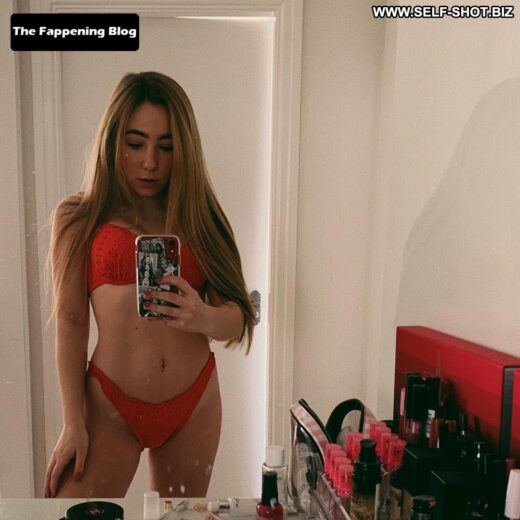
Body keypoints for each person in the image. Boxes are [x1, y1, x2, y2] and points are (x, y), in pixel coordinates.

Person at [44, 71, 254, 498]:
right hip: (109, 406)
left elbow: (237, 318)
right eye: (135, 144)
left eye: (166, 146)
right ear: (112, 142)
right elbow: (70, 320)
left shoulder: (202, 218)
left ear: (184, 149)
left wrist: (202, 316)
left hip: (193, 404)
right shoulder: (78, 218)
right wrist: (72, 421)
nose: (151, 163)